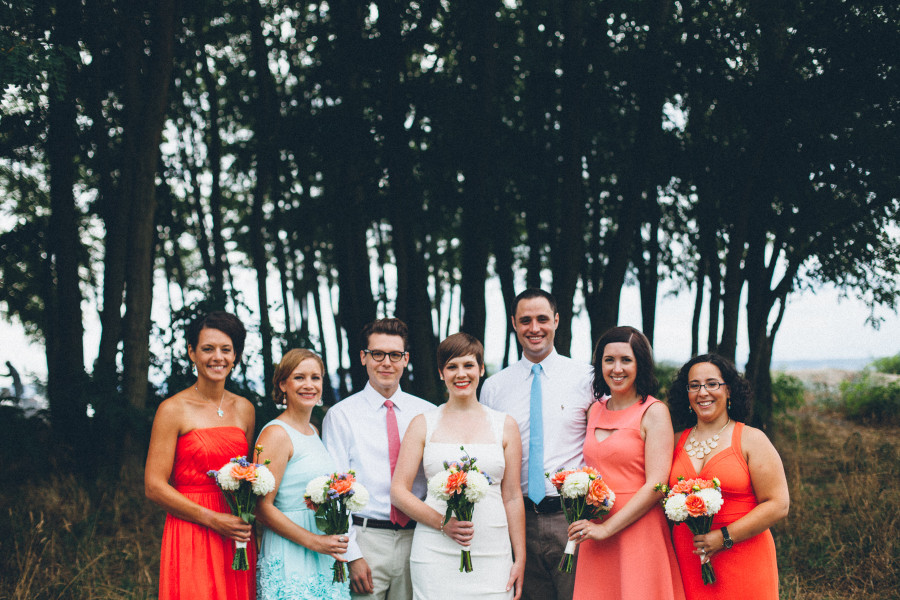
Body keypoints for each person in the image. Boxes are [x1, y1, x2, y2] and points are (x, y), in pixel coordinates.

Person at [391, 333, 526, 600]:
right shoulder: (423, 423)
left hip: (492, 554)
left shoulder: (505, 425)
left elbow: (511, 496)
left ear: (481, 369)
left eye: (468, 365)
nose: (460, 374)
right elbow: (399, 491)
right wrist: (444, 523)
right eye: (452, 367)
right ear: (441, 373)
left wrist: (519, 557)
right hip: (435, 553)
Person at [480, 288, 593, 600]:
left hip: (571, 518)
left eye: (542, 319)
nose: (534, 328)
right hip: (516, 520)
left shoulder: (586, 378)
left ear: (556, 321)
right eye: (525, 320)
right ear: (514, 324)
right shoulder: (493, 388)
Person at [567, 326, 685, 600]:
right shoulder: (595, 409)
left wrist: (607, 528)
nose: (616, 369)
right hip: (594, 530)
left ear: (640, 365)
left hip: (638, 529)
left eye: (626, 360)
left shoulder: (653, 412)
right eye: (609, 360)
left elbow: (657, 485)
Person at [145, 311, 257, 600]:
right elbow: (154, 486)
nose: (217, 357)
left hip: (235, 531)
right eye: (207, 349)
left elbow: (250, 473)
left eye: (226, 349)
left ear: (236, 356)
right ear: (191, 353)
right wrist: (211, 519)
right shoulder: (172, 409)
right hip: (191, 528)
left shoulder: (245, 408)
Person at [322, 318, 434, 600]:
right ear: (363, 357)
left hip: (418, 539)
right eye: (377, 354)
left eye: (395, 355)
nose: (386, 362)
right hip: (366, 538)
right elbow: (335, 490)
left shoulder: (428, 414)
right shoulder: (341, 415)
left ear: (406, 359)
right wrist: (352, 554)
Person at [666, 354, 789, 599]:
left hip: (744, 557)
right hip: (689, 560)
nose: (703, 392)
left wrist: (724, 538)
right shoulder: (672, 442)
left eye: (712, 384)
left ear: (729, 390)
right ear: (686, 394)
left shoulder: (752, 439)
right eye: (694, 386)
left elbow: (778, 505)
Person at [255, 348, 350, 599]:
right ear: (282, 384)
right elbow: (262, 507)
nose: (309, 385)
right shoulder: (275, 434)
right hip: (292, 551)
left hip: (322, 549)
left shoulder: (313, 431)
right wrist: (313, 541)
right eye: (299, 377)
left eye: (315, 378)